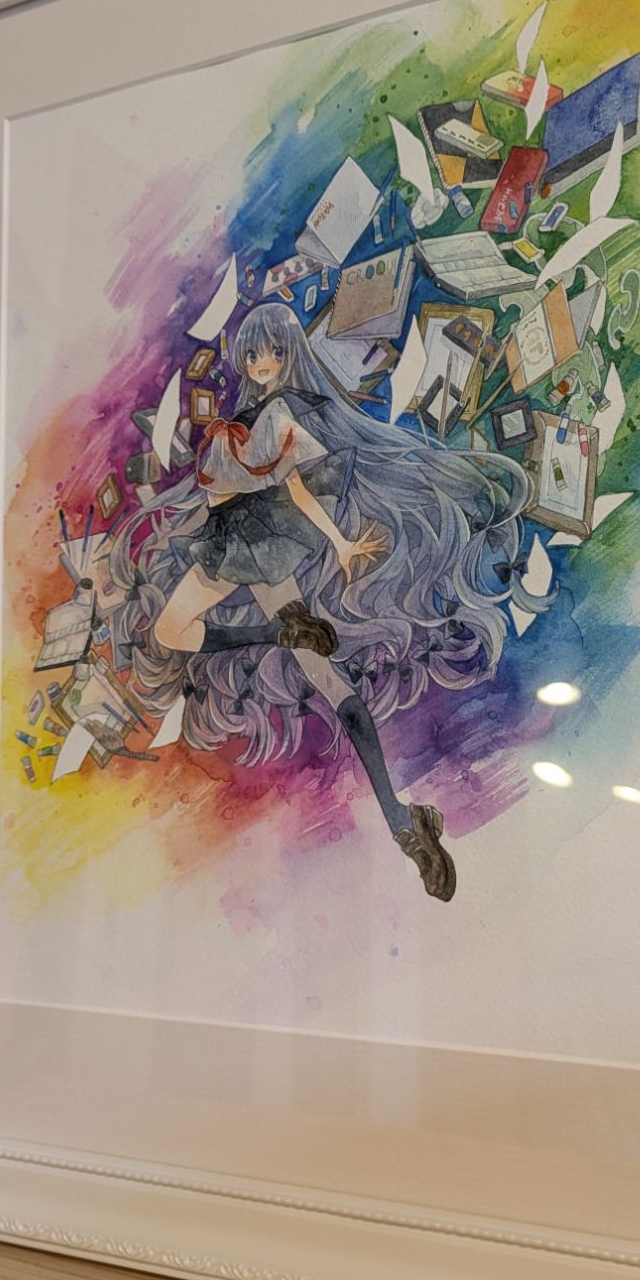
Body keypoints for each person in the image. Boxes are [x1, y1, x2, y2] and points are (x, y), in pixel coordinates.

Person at [109, 301, 537, 902]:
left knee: (170, 631)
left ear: (289, 355)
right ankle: (402, 820)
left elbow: (297, 485)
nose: (261, 363)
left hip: (245, 544)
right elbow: (280, 486)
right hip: (256, 545)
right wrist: (332, 540)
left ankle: (282, 639)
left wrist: (338, 542)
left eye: (272, 352)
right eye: (253, 353)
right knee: (324, 677)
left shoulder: (279, 415)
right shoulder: (266, 414)